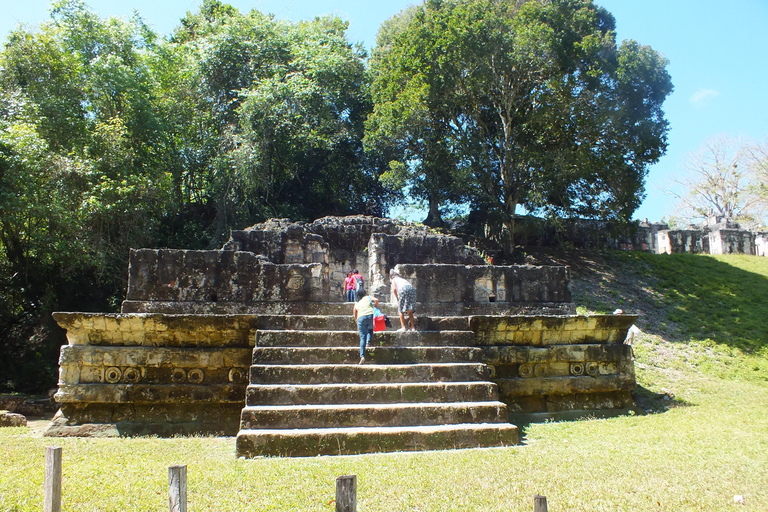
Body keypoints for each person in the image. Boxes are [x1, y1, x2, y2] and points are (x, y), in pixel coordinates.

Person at [353, 289, 379, 364]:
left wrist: (357, 324)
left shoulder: (357, 303)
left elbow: (355, 314)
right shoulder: (367, 297)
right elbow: (376, 300)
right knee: (370, 328)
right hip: (370, 315)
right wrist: (376, 308)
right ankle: (369, 342)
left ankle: (362, 356)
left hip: (360, 318)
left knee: (362, 337)